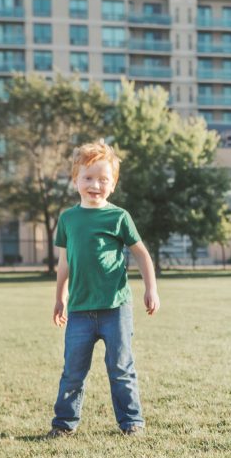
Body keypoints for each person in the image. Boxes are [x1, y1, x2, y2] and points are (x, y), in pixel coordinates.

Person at [47, 140, 159, 438]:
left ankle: (131, 422)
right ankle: (64, 424)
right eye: (87, 178)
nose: (95, 184)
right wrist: (60, 297)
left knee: (121, 369)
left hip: (115, 308)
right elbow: (64, 262)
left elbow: (142, 254)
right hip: (80, 311)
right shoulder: (68, 219)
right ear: (75, 180)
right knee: (72, 372)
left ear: (113, 184)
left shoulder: (118, 217)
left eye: (103, 179)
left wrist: (152, 289)